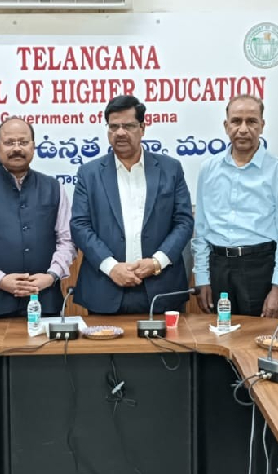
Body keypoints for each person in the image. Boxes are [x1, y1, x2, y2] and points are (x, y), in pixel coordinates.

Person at [70, 96, 194, 314]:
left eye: (128, 126)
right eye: (113, 126)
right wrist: (111, 267)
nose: (120, 133)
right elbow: (80, 226)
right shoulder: (89, 174)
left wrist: (157, 262)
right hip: (106, 288)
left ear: (142, 128)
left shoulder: (170, 169)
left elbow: (183, 221)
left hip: (161, 288)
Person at [0, 117, 74, 318]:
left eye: (23, 142)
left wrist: (51, 276)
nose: (16, 148)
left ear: (34, 147)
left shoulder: (54, 188)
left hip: (45, 301)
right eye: (9, 142)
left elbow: (67, 240)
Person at [192, 95, 278, 318]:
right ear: (226, 125)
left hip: (260, 268)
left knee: (256, 342)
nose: (243, 129)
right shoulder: (209, 170)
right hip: (218, 267)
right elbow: (201, 231)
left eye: (251, 121)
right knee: (217, 342)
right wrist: (202, 279)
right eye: (236, 121)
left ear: (262, 125)